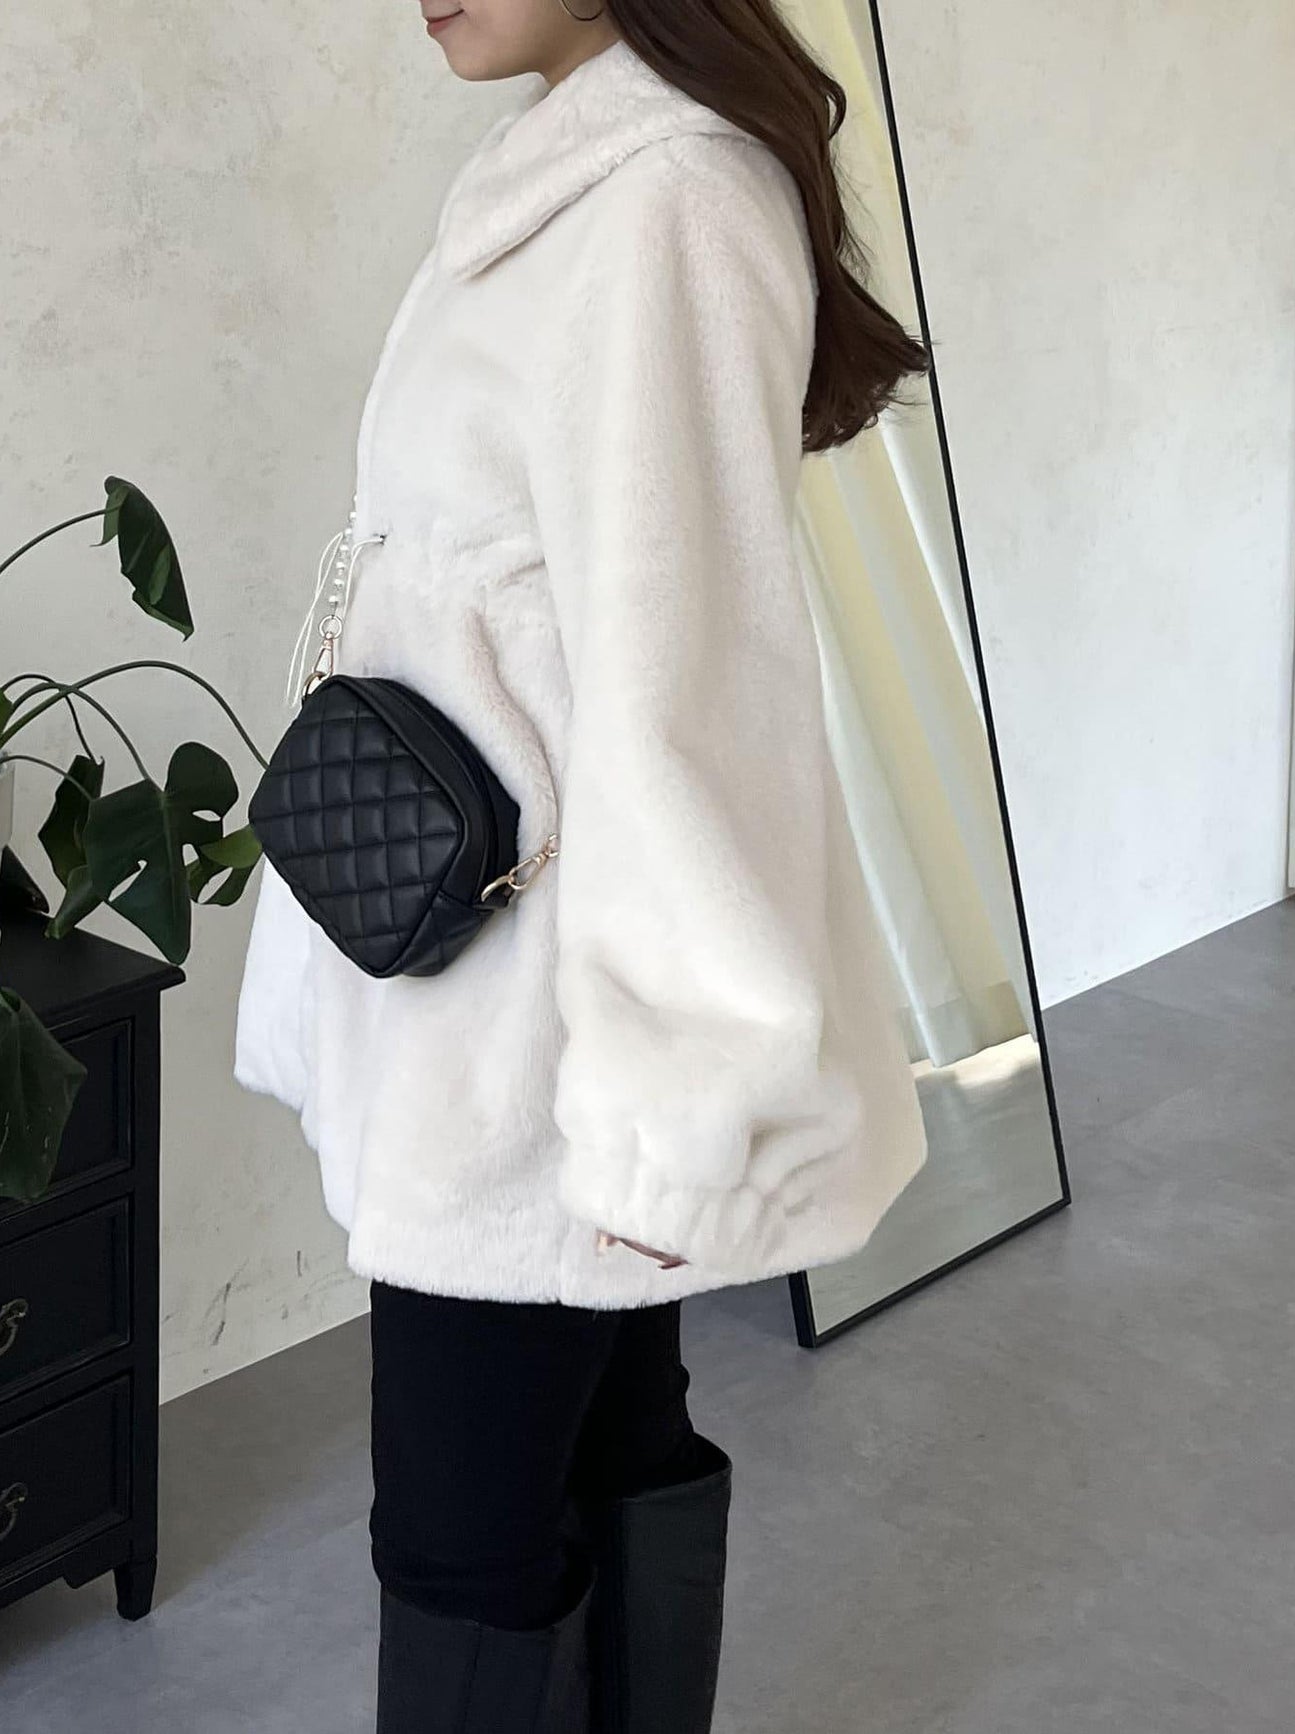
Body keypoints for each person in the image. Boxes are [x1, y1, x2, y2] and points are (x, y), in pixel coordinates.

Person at [234, 2, 932, 1727]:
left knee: (462, 1539)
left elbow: (694, 694)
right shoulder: (566, 181)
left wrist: (678, 1097)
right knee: (604, 1441)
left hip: (546, 1044)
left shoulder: (664, 201)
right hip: (499, 1008)